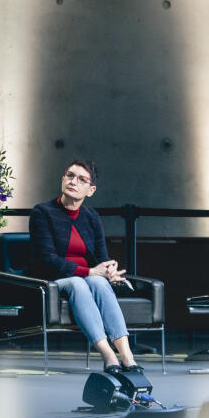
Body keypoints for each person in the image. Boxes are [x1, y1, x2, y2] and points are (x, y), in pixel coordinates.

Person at [26, 158, 142, 375]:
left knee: (98, 281)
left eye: (81, 179)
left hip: (88, 277)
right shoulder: (42, 212)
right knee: (79, 283)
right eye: (70, 175)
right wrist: (89, 271)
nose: (73, 182)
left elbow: (101, 257)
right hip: (51, 278)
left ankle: (127, 356)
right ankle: (108, 355)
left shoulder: (91, 216)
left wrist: (109, 270)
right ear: (63, 179)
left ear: (91, 190)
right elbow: (47, 259)